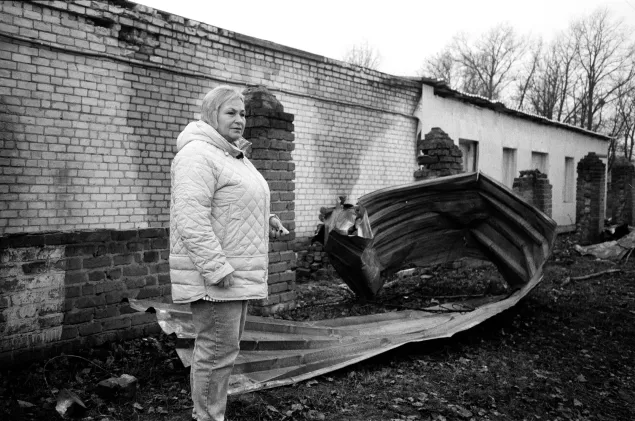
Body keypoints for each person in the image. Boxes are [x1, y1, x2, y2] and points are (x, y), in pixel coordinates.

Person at [169, 85, 289, 421]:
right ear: (211, 115)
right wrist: (216, 268)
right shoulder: (197, 155)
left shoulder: (229, 153)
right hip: (217, 275)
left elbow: (231, 203)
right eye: (230, 113)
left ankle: (210, 414)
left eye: (243, 113)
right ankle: (207, 417)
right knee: (215, 352)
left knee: (224, 351)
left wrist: (266, 219)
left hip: (230, 271)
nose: (239, 120)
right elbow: (190, 218)